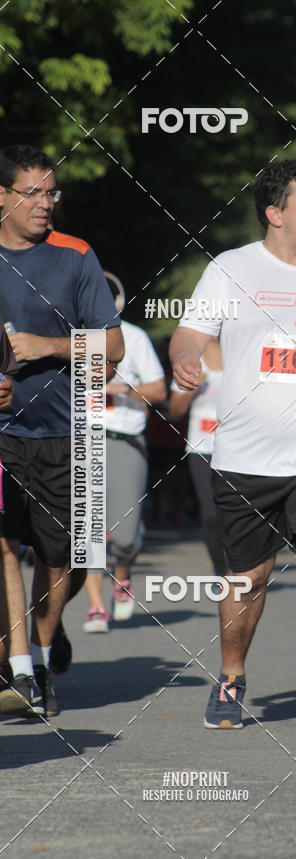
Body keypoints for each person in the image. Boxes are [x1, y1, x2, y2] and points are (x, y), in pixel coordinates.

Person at [170, 159, 296, 736]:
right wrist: (184, 356)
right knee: (247, 581)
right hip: (244, 457)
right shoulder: (231, 269)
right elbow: (190, 331)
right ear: (275, 212)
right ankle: (232, 673)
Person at [0, 145, 124, 717]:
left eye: (52, 193)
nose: (45, 204)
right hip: (2, 433)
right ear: (2, 196)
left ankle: (43, 653)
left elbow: (112, 347)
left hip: (65, 433)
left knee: (61, 560)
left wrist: (49, 347)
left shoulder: (75, 257)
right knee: (2, 543)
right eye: (32, 193)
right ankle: (20, 671)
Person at [83, 272, 166, 633]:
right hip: (83, 438)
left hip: (125, 438)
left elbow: (160, 390)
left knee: (127, 535)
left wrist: (118, 386)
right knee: (88, 530)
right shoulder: (71, 339)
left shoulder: (134, 337)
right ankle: (96, 607)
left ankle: (123, 576)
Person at [169, 336, 227, 576]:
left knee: (238, 512)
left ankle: (242, 568)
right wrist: (190, 389)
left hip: (237, 446)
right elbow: (174, 411)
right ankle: (222, 571)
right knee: (211, 513)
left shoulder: (240, 356)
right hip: (201, 448)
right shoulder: (193, 362)